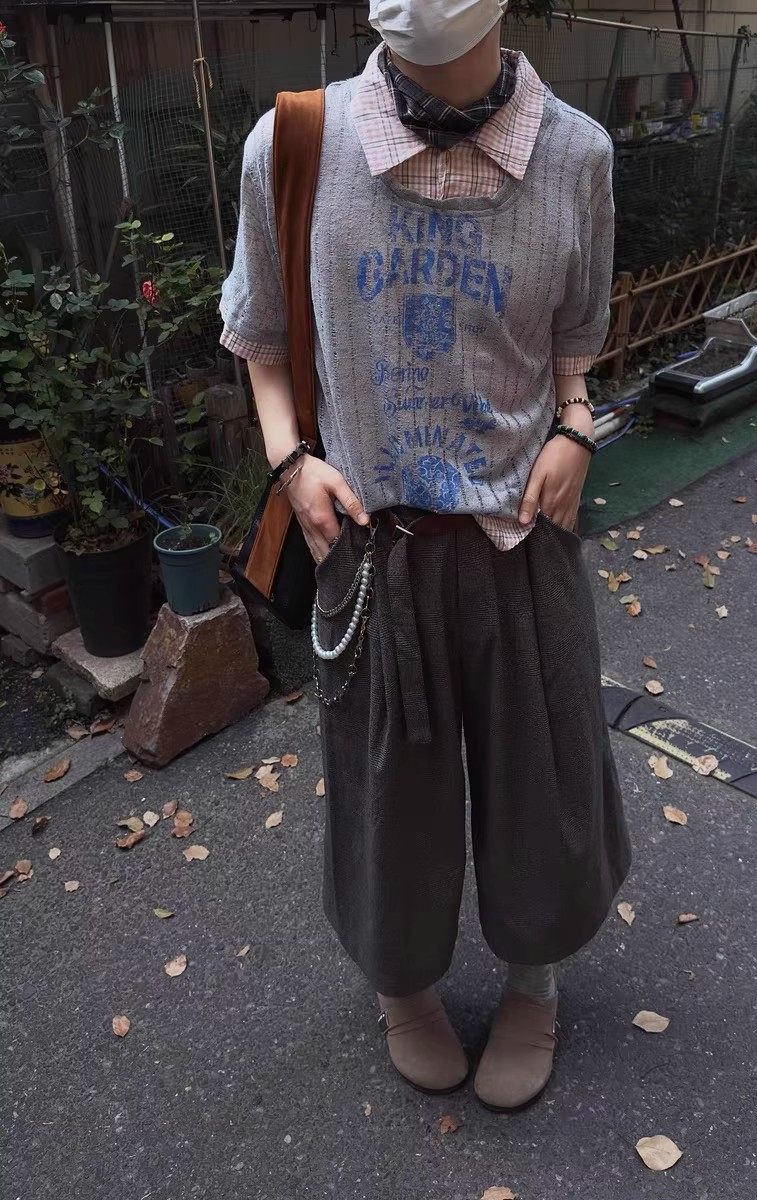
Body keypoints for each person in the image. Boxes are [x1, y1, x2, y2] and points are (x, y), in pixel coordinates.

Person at [219, 0, 630, 1112]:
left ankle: (535, 982)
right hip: (371, 544)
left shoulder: (578, 156)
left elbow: (577, 344)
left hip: (520, 538)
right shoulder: (295, 145)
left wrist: (575, 427)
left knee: (543, 777)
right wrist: (290, 461)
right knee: (385, 790)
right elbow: (260, 335)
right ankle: (402, 986)